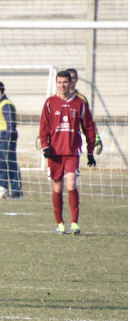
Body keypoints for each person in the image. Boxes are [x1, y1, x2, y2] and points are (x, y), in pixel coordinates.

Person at [39, 71, 97, 235]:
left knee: (71, 183)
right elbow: (43, 128)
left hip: (72, 151)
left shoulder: (79, 103)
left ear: (70, 83)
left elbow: (89, 127)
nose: (62, 85)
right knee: (57, 186)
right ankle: (60, 223)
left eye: (65, 82)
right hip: (55, 153)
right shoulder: (50, 103)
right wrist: (45, 146)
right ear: (56, 83)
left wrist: (90, 151)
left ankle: (74, 222)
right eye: (59, 82)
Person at [0, 81, 23, 199]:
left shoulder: (6, 105)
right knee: (1, 166)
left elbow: (11, 124)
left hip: (6, 141)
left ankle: (16, 192)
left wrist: (9, 140)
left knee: (11, 165)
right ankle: (3, 189)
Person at [66, 68, 103, 155]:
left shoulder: (81, 99)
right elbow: (48, 119)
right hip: (59, 137)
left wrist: (96, 137)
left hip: (74, 138)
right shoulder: (56, 98)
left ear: (77, 79)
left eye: (73, 78)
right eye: (69, 78)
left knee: (72, 167)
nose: (71, 80)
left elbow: (88, 120)